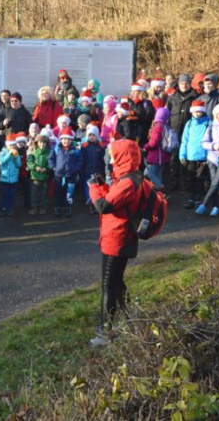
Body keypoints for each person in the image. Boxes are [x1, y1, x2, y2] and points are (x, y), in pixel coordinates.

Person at [88, 139, 143, 346]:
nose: (110, 158)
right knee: (117, 282)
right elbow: (113, 199)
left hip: (117, 238)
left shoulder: (128, 182)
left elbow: (103, 206)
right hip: (119, 236)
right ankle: (132, 318)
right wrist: (103, 185)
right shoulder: (129, 176)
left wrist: (93, 187)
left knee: (108, 285)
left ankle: (105, 331)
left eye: (113, 154)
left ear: (122, 156)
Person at [167, 73, 200, 190]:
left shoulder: (194, 96)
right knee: (173, 157)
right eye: (182, 83)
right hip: (174, 131)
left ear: (190, 84)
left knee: (185, 157)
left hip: (188, 132)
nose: (184, 85)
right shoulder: (172, 96)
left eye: (186, 83)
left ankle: (183, 181)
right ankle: (174, 180)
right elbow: (167, 112)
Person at [197, 103, 219, 217]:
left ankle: (203, 204)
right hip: (211, 158)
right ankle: (216, 207)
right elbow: (204, 142)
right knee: (213, 183)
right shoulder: (211, 126)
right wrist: (213, 146)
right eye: (217, 114)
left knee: (215, 183)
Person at [49, 127, 81, 217]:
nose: (66, 141)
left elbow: (80, 161)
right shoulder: (56, 149)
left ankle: (68, 207)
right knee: (58, 192)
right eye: (64, 139)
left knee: (69, 193)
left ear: (71, 140)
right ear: (61, 139)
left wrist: (76, 169)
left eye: (68, 140)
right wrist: (53, 167)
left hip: (71, 175)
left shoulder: (75, 150)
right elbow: (51, 159)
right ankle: (58, 207)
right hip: (58, 175)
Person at [142, 107, 171, 191]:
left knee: (148, 173)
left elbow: (153, 143)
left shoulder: (157, 127)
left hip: (156, 156)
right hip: (164, 155)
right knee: (159, 174)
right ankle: (160, 194)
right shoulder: (166, 126)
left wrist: (145, 147)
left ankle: (159, 186)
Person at [0, 134, 22, 216]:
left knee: (12, 195)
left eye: (13, 145)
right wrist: (9, 154)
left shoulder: (16, 153)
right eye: (10, 145)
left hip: (13, 178)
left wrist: (15, 158)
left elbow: (19, 165)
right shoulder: (2, 152)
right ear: (7, 145)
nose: (12, 147)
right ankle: (3, 208)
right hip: (4, 178)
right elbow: (2, 161)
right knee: (4, 194)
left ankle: (10, 209)